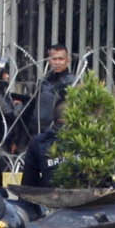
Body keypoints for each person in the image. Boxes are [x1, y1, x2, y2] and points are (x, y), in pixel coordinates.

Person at [16, 49, 76, 185]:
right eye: (54, 59)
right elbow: (34, 104)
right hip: (40, 132)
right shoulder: (44, 82)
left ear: (68, 60)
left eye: (61, 59)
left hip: (61, 132)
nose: (57, 62)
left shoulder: (72, 82)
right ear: (49, 60)